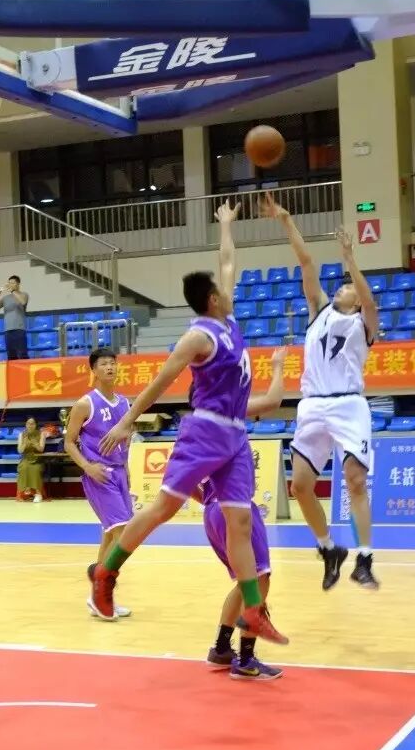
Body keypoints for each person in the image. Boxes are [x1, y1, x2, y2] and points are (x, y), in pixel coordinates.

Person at [88, 199, 288, 646]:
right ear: (213, 299)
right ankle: (106, 572)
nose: (228, 287)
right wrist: (127, 421)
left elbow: (228, 261)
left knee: (240, 520)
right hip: (206, 430)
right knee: (165, 508)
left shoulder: (229, 320)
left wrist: (226, 226)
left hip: (235, 434)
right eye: (221, 289)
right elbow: (161, 381)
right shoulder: (198, 336)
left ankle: (253, 611)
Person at [261, 192, 379, 591]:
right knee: (299, 486)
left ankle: (365, 558)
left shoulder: (364, 322)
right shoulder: (319, 312)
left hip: (349, 404)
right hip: (312, 405)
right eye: (343, 285)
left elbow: (368, 298)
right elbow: (306, 262)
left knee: (354, 480)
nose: (345, 288)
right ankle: (329, 548)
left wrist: (350, 259)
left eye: (349, 286)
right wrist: (285, 220)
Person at [201, 346, 288, 681]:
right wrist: (277, 366)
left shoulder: (197, 424)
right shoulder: (228, 413)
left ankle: (222, 648)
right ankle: (247, 659)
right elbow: (273, 400)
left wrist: (210, 503)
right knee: (260, 578)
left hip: (214, 510)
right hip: (234, 509)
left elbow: (183, 481)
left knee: (245, 580)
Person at [64, 347, 132, 618]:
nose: (109, 367)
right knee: (123, 533)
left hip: (119, 473)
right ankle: (103, 593)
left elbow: (126, 438)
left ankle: (98, 595)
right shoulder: (85, 404)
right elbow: (69, 442)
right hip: (99, 474)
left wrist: (127, 467)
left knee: (110, 534)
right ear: (93, 370)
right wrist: (87, 467)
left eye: (112, 363)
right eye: (103, 364)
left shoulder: (125, 403)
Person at [0, 274, 29, 360]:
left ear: (18, 284)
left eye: (12, 283)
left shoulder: (24, 294)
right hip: (8, 330)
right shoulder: (6, 298)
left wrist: (12, 291)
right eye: (9, 283)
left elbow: (23, 302)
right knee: (11, 355)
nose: (10, 285)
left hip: (19, 329)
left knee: (22, 354)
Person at [17, 417, 46, 502]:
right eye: (28, 423)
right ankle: (26, 492)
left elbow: (41, 449)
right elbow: (20, 450)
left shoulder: (41, 434)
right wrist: (24, 444)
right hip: (26, 459)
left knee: (35, 469)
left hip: (37, 459)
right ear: (26, 424)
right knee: (23, 468)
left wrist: (35, 443)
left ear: (36, 425)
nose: (30, 425)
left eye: (32, 423)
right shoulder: (21, 435)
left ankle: (38, 493)